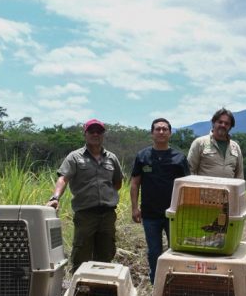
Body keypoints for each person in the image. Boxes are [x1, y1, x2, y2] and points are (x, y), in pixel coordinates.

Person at [48, 118, 123, 275]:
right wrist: (55, 197)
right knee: (81, 253)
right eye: (92, 131)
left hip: (108, 214)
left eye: (99, 131)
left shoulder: (112, 158)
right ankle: (79, 291)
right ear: (85, 134)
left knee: (106, 253)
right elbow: (63, 178)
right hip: (85, 214)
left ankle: (101, 290)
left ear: (103, 135)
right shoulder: (75, 157)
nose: (95, 134)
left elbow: (117, 182)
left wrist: (106, 195)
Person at [130, 118, 190, 284]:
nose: (161, 132)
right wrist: (134, 208)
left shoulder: (179, 158)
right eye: (158, 129)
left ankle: (175, 282)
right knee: (154, 251)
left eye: (165, 129)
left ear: (170, 133)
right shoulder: (142, 156)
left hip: (175, 213)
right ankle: (156, 283)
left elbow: (188, 186)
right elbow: (135, 183)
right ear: (152, 133)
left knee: (176, 250)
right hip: (150, 214)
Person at [187, 108, 244, 179]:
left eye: (227, 123)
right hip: (204, 189)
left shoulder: (235, 147)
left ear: (230, 127)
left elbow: (239, 175)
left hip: (228, 189)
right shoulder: (199, 143)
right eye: (220, 122)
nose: (223, 125)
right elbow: (190, 170)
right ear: (213, 123)